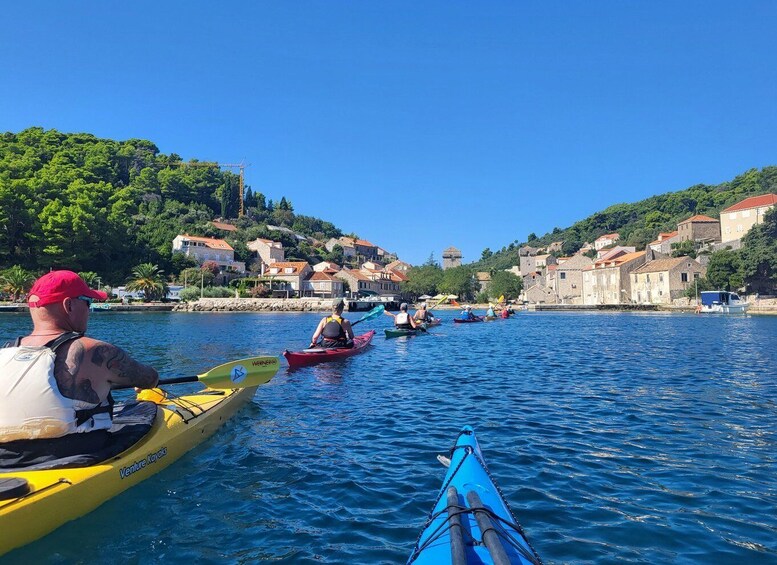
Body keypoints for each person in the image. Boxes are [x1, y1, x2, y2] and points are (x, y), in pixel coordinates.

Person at [0, 270, 159, 456]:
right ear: (69, 305)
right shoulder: (96, 351)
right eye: (87, 302)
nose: (89, 310)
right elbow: (151, 379)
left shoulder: (5, 353)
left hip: (6, 461)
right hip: (73, 456)